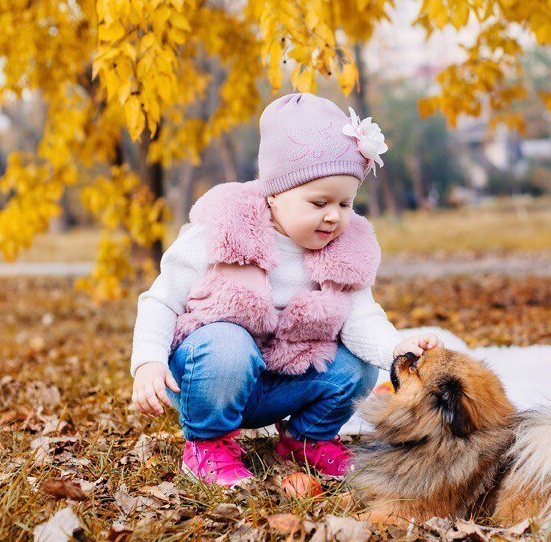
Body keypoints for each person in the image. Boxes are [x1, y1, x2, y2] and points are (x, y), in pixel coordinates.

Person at [129, 92, 443, 486]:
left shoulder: (345, 252)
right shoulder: (223, 231)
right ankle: (207, 445)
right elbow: (161, 299)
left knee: (357, 366)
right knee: (227, 343)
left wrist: (397, 349)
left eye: (346, 203)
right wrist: (148, 361)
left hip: (283, 383)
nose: (334, 216)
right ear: (274, 194)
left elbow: (361, 317)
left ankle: (307, 437)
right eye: (319, 202)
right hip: (210, 377)